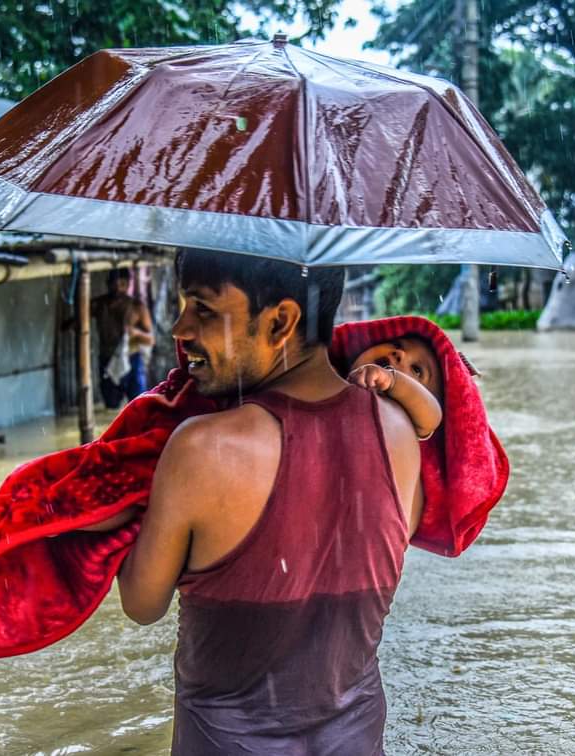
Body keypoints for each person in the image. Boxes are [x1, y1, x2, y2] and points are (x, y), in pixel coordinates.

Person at [113, 248, 428, 754]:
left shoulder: (203, 447)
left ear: (281, 320)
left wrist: (118, 512)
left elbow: (142, 603)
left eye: (205, 310)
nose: (180, 328)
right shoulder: (398, 431)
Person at [91, 268, 155, 408]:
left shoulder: (137, 307)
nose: (118, 288)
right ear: (108, 284)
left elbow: (150, 339)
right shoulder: (99, 305)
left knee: (138, 404)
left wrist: (136, 333)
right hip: (107, 360)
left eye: (122, 284)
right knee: (111, 406)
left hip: (132, 360)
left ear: (128, 284)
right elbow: (73, 322)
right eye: (114, 284)